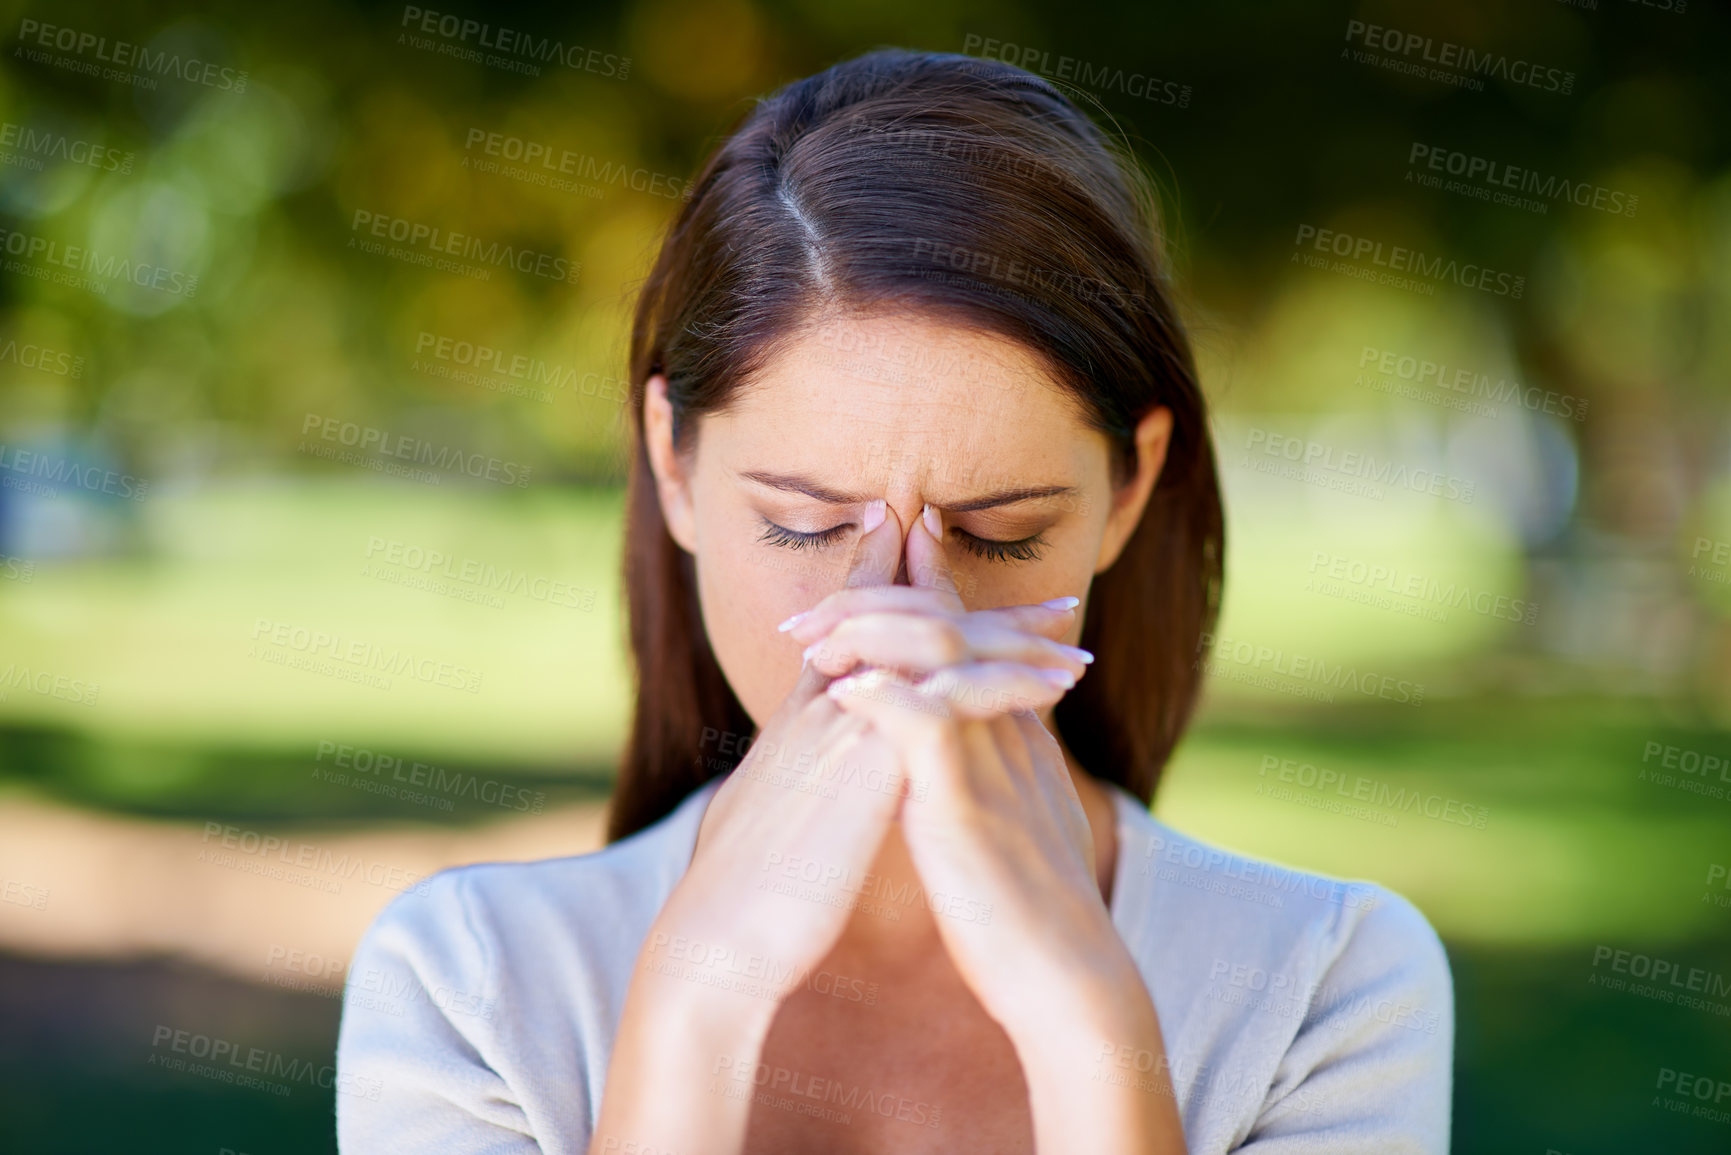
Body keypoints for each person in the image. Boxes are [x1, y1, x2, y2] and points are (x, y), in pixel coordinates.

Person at [336, 47, 1452, 1154]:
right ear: (673, 468)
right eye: (805, 524)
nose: (901, 626)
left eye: (999, 532)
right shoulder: (470, 987)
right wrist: (691, 1006)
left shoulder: (1322, 985)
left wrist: (1086, 1014)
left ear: (1129, 491)